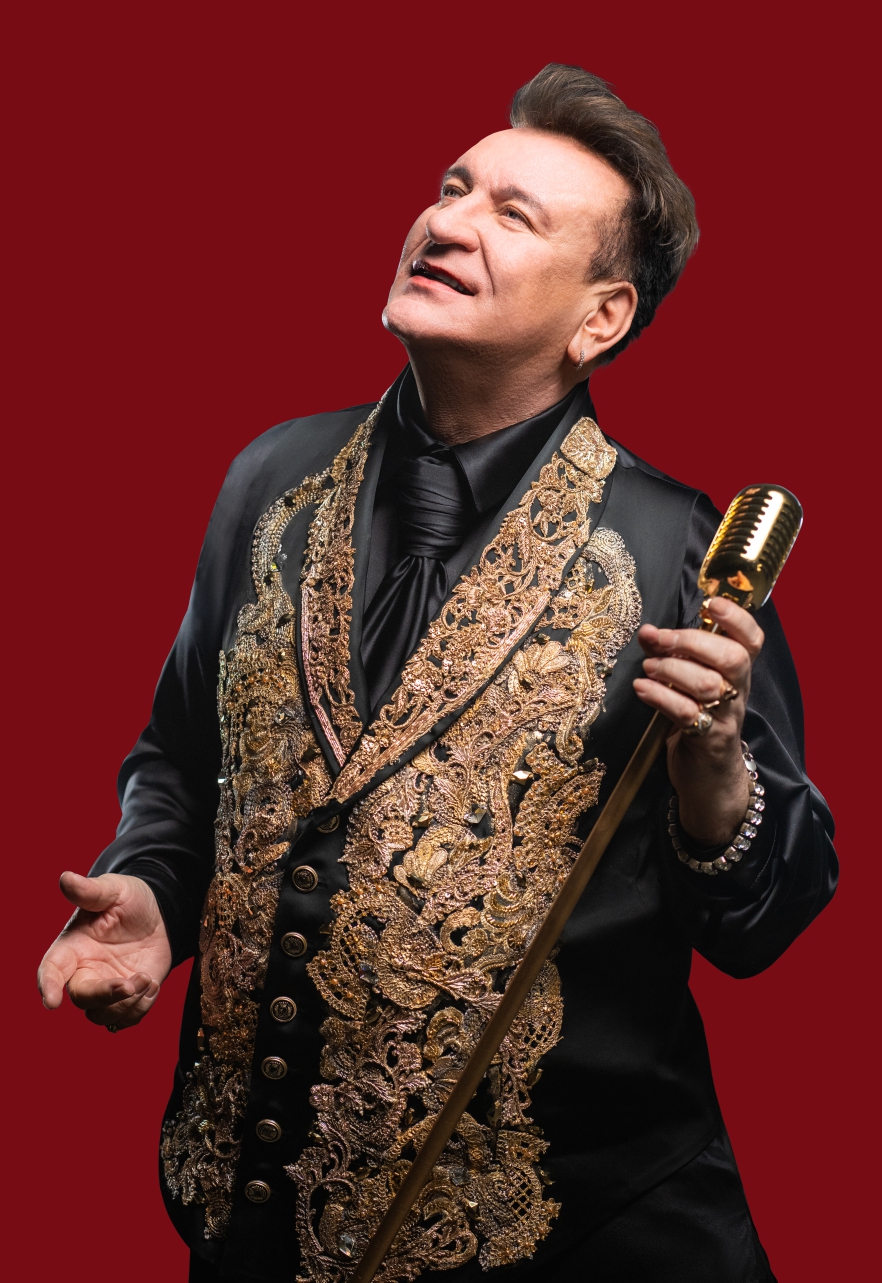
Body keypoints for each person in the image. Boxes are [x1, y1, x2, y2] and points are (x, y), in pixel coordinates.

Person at [37, 64, 836, 1283]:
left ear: (601, 319)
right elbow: (183, 762)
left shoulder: (682, 549)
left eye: (513, 214)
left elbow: (768, 920)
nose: (448, 221)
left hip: (581, 1236)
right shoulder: (271, 479)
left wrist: (717, 771)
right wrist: (154, 887)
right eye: (452, 187)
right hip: (257, 1229)